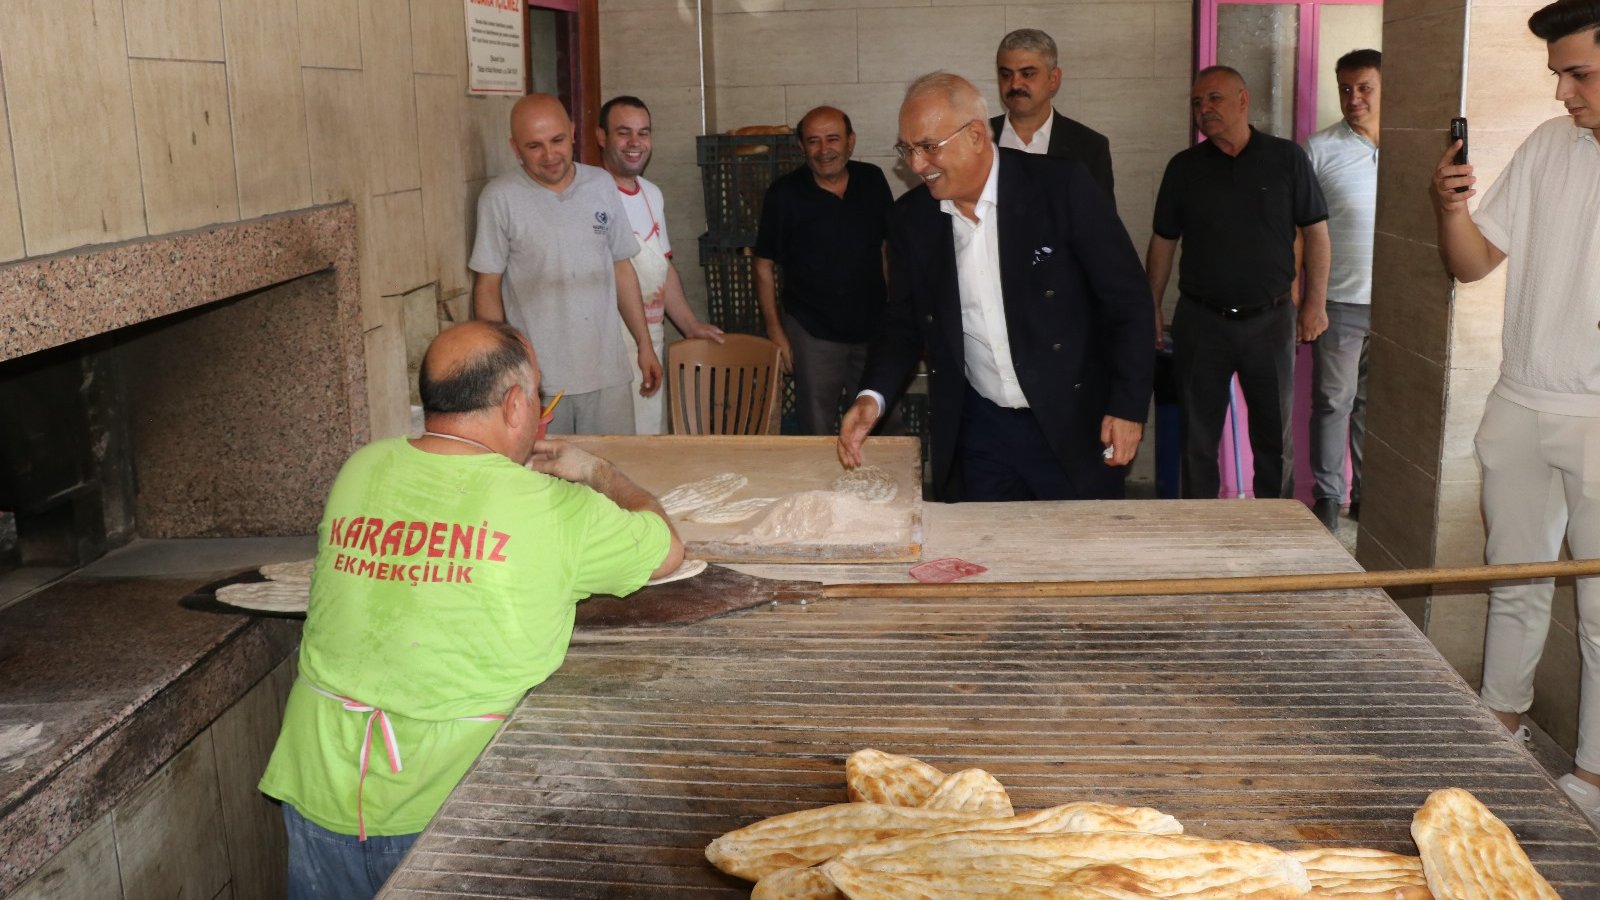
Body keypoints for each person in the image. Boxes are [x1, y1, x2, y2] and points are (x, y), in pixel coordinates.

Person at [259, 321, 684, 898]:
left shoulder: (362, 468)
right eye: (537, 395)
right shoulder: (552, 506)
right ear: (515, 405)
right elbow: (667, 546)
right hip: (447, 806)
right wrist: (597, 472)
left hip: (319, 788)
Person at [1429, 0, 1600, 823]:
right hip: (1521, 398)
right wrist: (1449, 205)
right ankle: (1501, 729)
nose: (1565, 92)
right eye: (1560, 75)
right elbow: (1468, 266)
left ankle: (1596, 781)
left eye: (1580, 73)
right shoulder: (1547, 145)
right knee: (1515, 582)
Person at [838, 73, 1153, 502]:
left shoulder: (1061, 188)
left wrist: (1129, 407)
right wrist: (871, 396)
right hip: (981, 429)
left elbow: (1128, 302)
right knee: (984, 558)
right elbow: (904, 321)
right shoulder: (912, 219)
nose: (915, 165)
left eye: (928, 147)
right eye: (907, 149)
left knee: (1079, 556)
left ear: (974, 136)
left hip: (1072, 421)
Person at [1145, 66, 1330, 500]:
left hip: (1271, 321)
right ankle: (1202, 534)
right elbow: (1163, 240)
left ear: (1243, 100)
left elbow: (1317, 232)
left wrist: (1315, 303)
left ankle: (1274, 533)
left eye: (1213, 99)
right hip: (1200, 322)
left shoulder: (1287, 159)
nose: (1203, 109)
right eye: (1196, 102)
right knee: (1196, 439)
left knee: (1274, 438)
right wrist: (1151, 306)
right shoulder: (1183, 168)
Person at [470, 93, 658, 435]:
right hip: (537, 383)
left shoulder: (601, 184)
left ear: (573, 131)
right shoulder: (499, 198)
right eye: (534, 146)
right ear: (515, 147)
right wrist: (503, 370)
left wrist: (644, 344)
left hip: (607, 375)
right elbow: (487, 287)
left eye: (557, 140)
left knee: (611, 476)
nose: (550, 155)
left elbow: (621, 268)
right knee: (547, 480)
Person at [754, 106, 898, 436]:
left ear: (851, 141)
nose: (824, 150)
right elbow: (763, 266)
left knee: (886, 425)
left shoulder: (872, 180)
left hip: (873, 328)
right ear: (802, 147)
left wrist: (895, 312)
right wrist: (776, 332)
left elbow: (889, 250)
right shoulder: (784, 194)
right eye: (814, 141)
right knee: (817, 428)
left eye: (833, 139)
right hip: (812, 332)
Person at [596, 95, 726, 435]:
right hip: (606, 349)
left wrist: (690, 324)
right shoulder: (591, 194)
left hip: (649, 342)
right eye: (623, 133)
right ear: (601, 137)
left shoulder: (652, 194)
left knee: (649, 437)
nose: (635, 143)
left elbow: (661, 268)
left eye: (643, 133)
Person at [1304, 49, 1382, 531]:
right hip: (1340, 301)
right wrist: (1307, 299)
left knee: (1378, 407)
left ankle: (1368, 495)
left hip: (1399, 307)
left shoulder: (1417, 143)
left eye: (1365, 88)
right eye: (1346, 89)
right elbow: (1300, 231)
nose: (1354, 98)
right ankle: (1329, 497)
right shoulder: (1317, 149)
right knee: (1335, 401)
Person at [990, 28, 1115, 199]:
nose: (1015, 84)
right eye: (1006, 75)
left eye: (1027, 74)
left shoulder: (1089, 147)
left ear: (1053, 79)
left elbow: (1100, 223)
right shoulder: (975, 139)